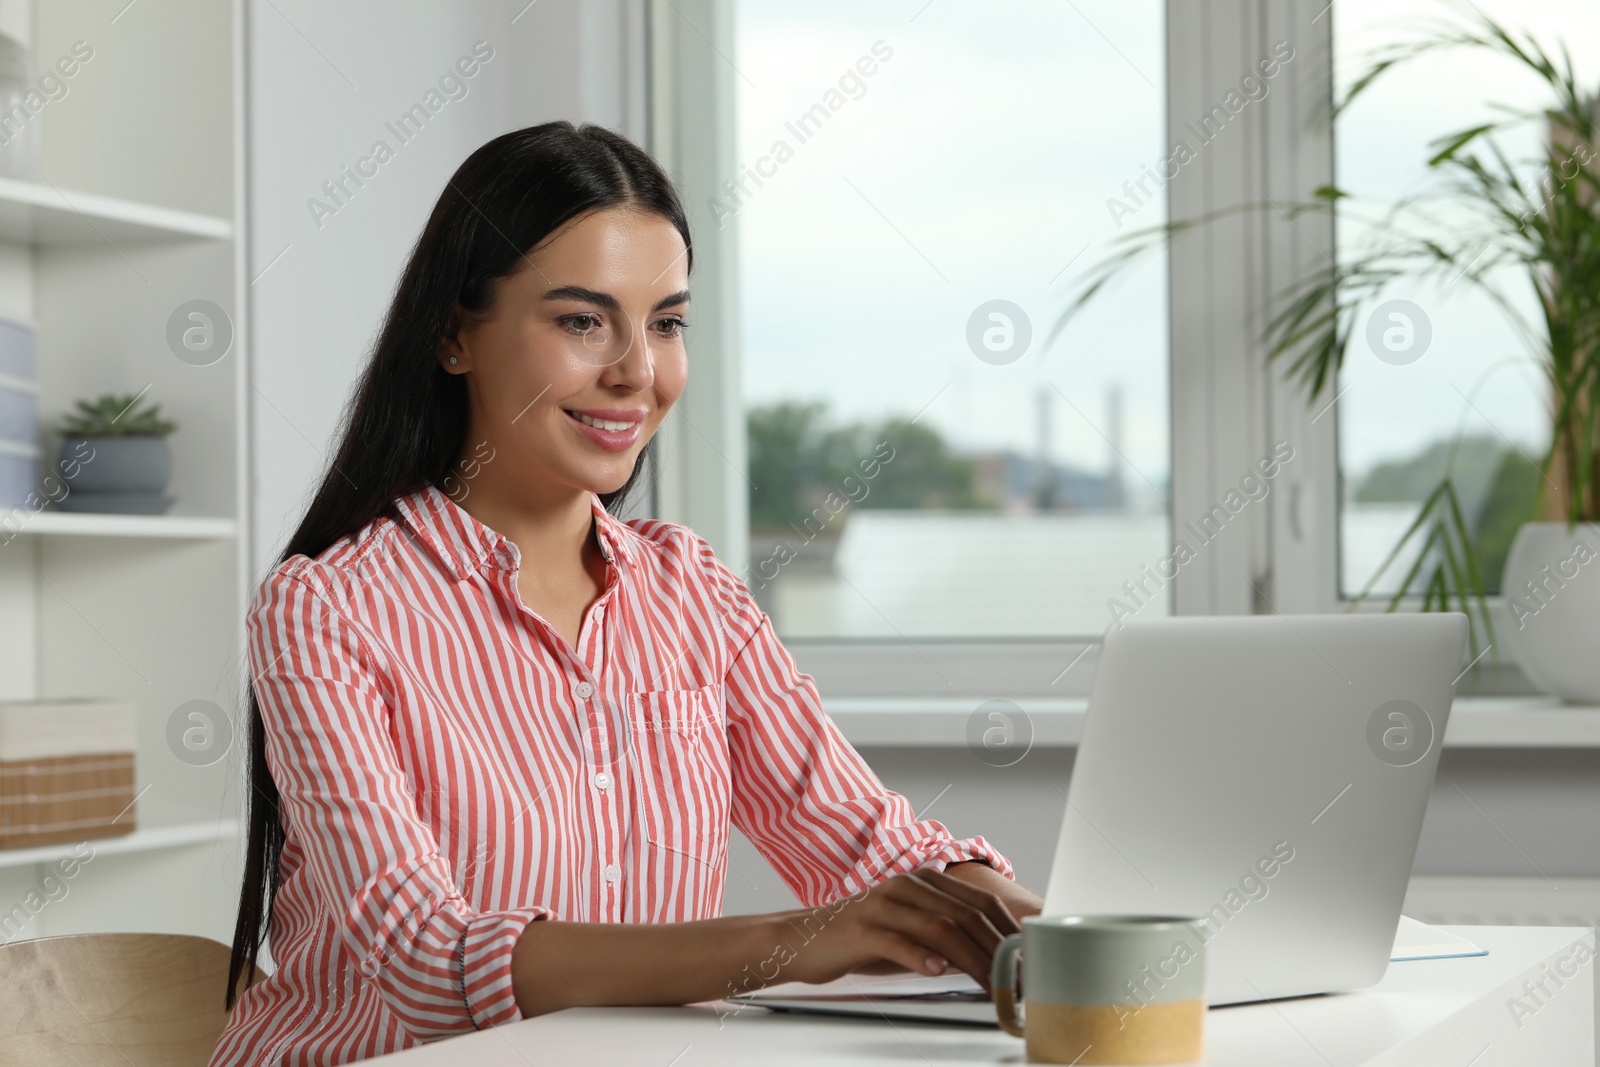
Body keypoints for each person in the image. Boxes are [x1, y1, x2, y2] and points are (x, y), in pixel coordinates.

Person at [212, 121, 1041, 1065]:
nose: (638, 372)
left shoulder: (690, 592)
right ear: (453, 335)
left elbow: (870, 849)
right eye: (581, 321)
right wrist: (796, 944)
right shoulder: (327, 609)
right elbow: (424, 960)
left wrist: (1047, 925)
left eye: (667, 323)